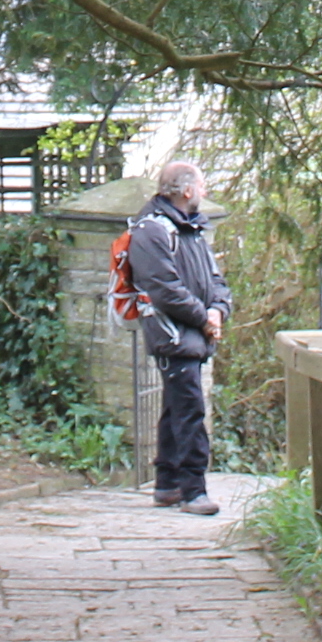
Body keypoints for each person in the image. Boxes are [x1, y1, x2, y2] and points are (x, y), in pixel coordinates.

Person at [126, 157, 233, 513]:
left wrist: (218, 310)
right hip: (171, 333)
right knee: (189, 410)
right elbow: (163, 288)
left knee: (177, 407)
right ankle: (193, 491)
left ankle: (168, 484)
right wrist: (204, 318)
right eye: (201, 185)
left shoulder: (192, 230)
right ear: (187, 190)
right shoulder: (151, 230)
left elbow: (216, 280)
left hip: (193, 331)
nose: (205, 190)